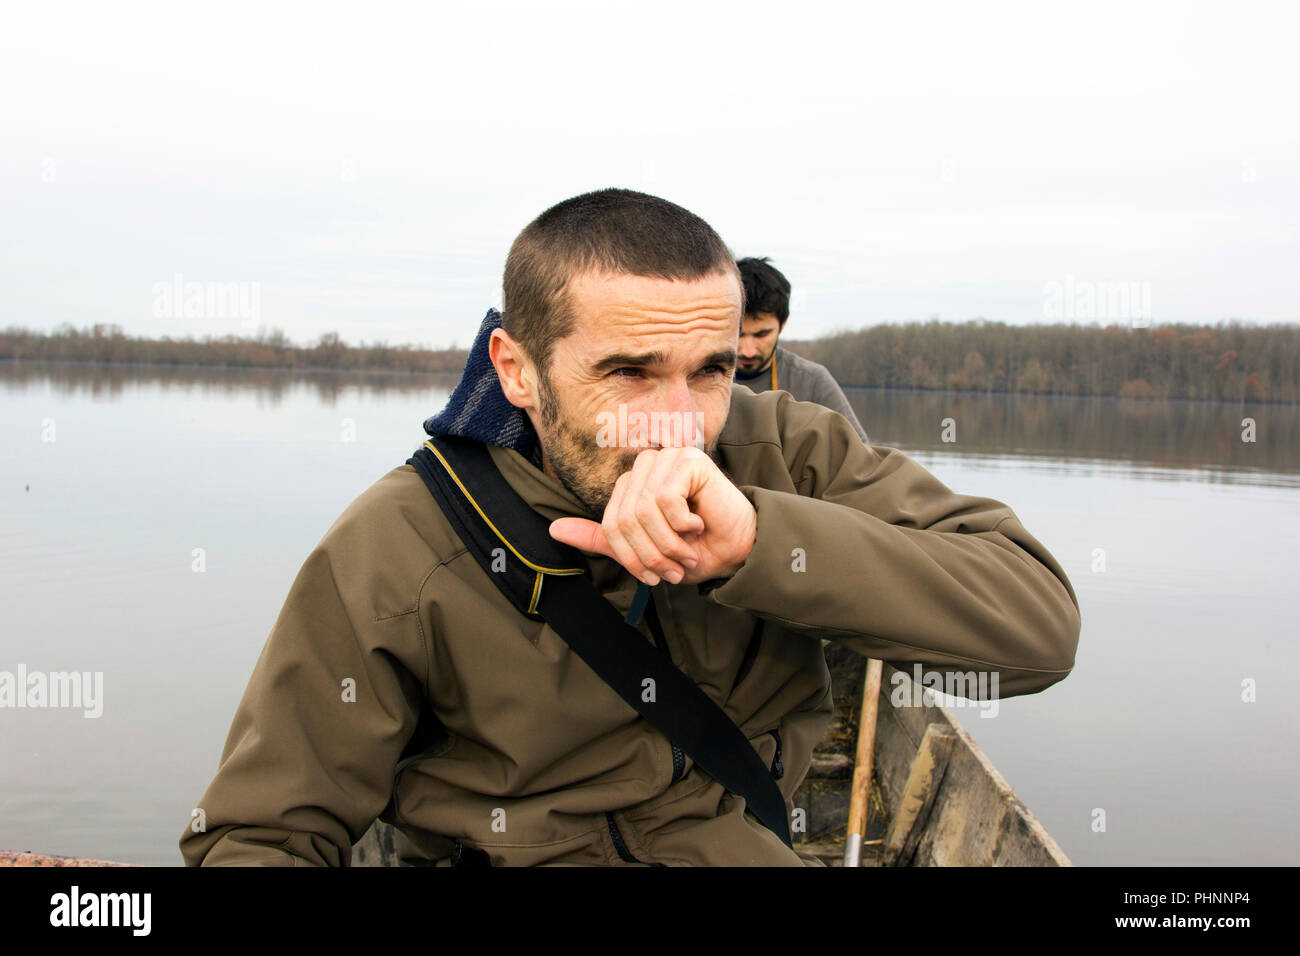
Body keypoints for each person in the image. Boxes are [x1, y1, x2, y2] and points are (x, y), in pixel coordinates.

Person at [179, 188, 1080, 867]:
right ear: (518, 369)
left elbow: (1039, 634)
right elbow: (260, 832)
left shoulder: (787, 455)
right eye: (630, 374)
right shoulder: (401, 545)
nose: (679, 426)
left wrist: (763, 547)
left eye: (712, 371)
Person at [734, 257, 870, 444]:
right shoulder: (692, 377)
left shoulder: (812, 381)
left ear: (783, 324)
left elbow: (862, 457)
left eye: (761, 335)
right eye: (738, 334)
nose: (748, 351)